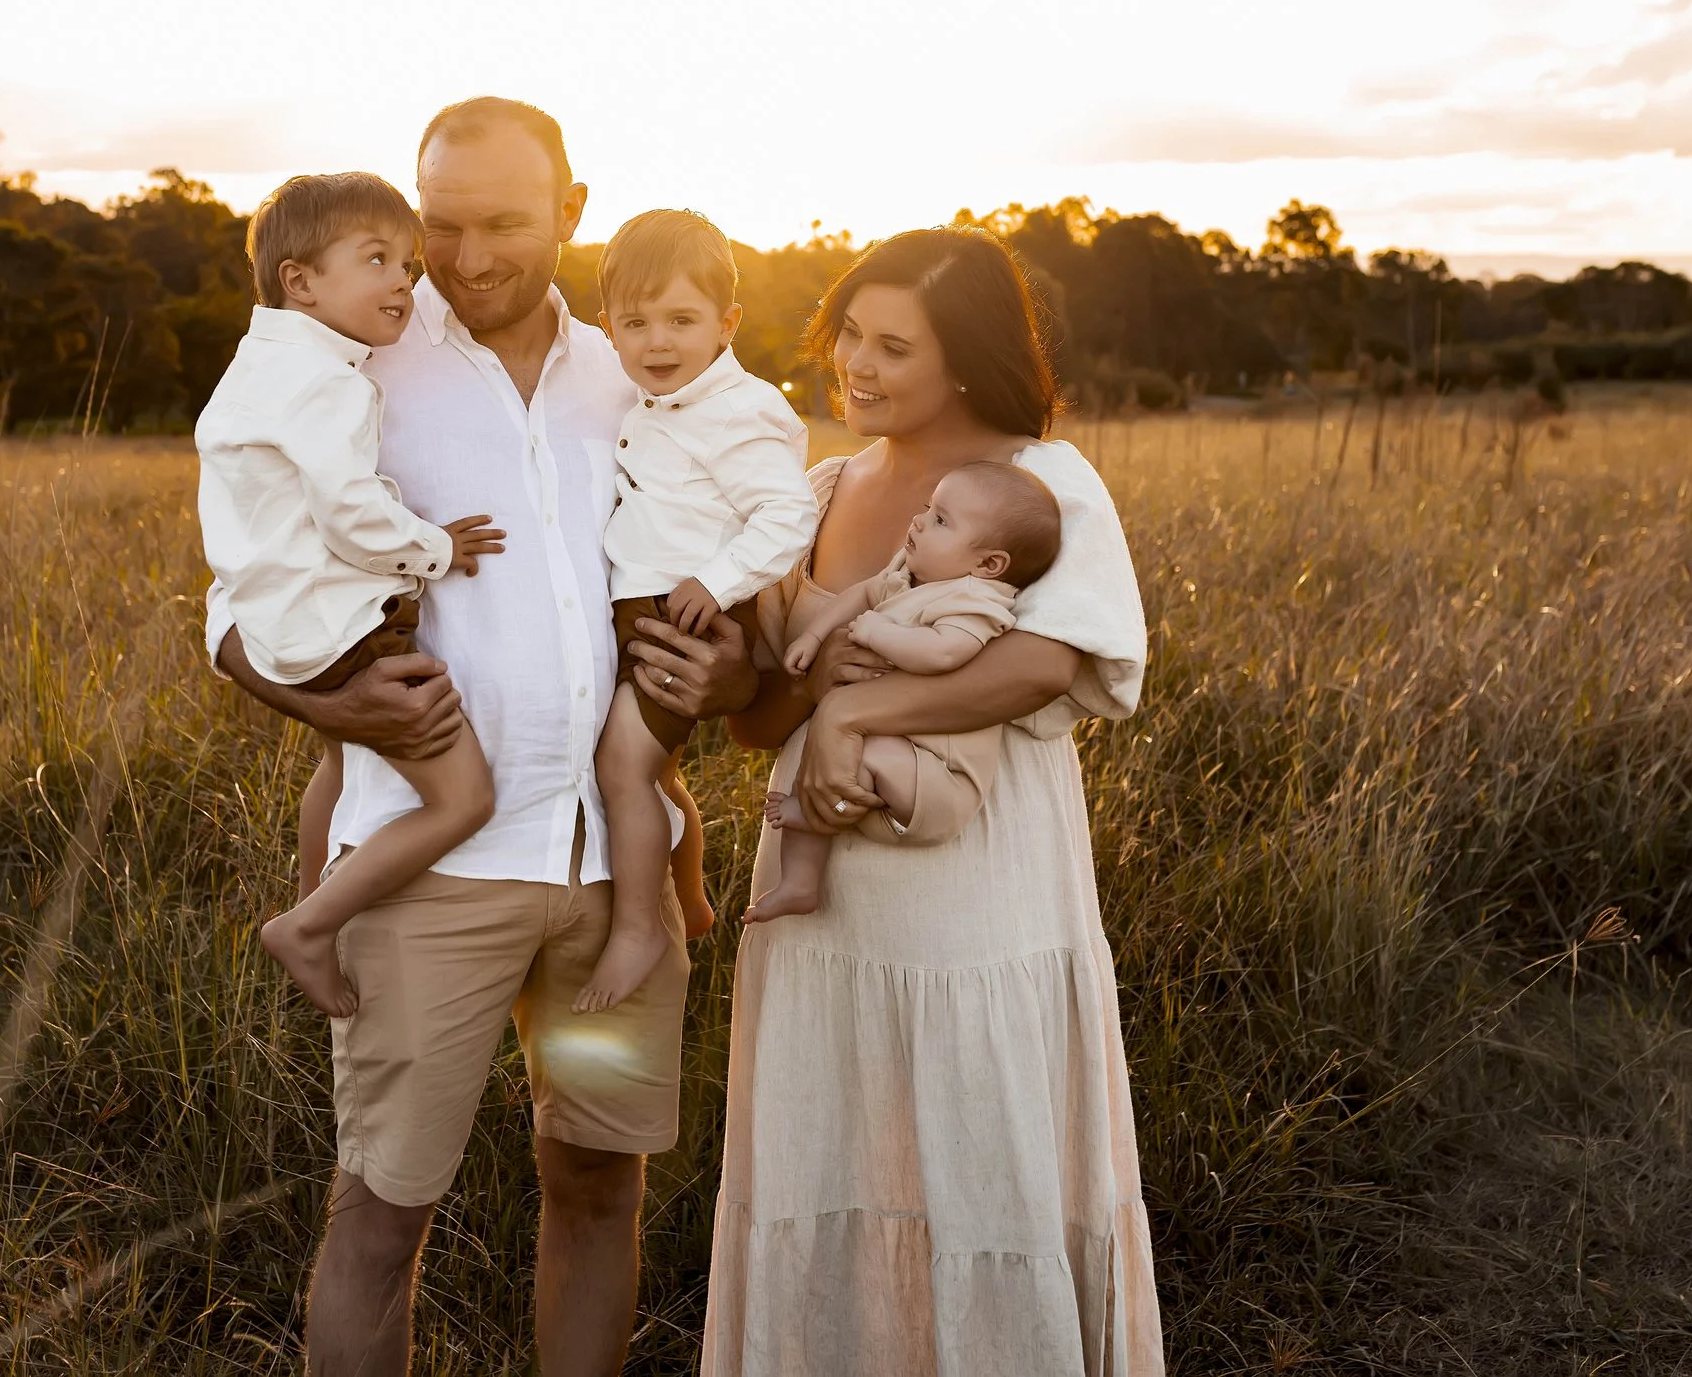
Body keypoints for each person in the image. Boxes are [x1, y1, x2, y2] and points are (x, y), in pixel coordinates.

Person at [208, 99, 756, 1377]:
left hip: (610, 881)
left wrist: (734, 661)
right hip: (427, 873)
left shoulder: (646, 363)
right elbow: (235, 596)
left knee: (597, 1182)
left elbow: (737, 560)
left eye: (504, 222)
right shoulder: (351, 357)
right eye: (437, 223)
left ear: (572, 209)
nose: (461, 256)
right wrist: (322, 701)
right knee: (382, 1211)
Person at [703, 228, 1163, 1375]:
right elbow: (766, 720)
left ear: (965, 360)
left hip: (977, 890)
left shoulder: (1041, 481)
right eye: (848, 332)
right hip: (824, 898)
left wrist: (859, 718)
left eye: (892, 345)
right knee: (831, 1157)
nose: (854, 362)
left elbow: (1046, 665)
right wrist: (761, 683)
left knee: (979, 1157)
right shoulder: (816, 489)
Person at [196, 171, 507, 1018]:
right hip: (341, 625)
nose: (403, 280)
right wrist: (435, 548)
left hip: (283, 619)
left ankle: (312, 915)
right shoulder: (324, 381)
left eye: (407, 262)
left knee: (340, 762)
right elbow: (348, 511)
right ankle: (309, 923)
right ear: (300, 281)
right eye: (375, 259)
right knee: (463, 797)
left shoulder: (258, 366)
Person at [581, 208, 814, 1012]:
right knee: (657, 769)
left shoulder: (738, 409)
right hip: (649, 601)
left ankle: (640, 925)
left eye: (682, 319)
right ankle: (691, 893)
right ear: (606, 326)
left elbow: (787, 515)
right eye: (634, 322)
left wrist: (715, 581)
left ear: (728, 322)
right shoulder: (659, 401)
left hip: (683, 613)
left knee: (624, 765)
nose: (657, 342)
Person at [745, 459, 1061, 925]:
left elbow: (942, 653)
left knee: (851, 754)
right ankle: (799, 884)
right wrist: (814, 638)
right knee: (824, 763)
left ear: (988, 564)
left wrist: (875, 634)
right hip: (891, 751)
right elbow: (860, 595)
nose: (919, 521)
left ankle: (809, 826)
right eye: (928, 507)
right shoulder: (907, 577)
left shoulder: (974, 601)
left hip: (936, 775)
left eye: (940, 520)